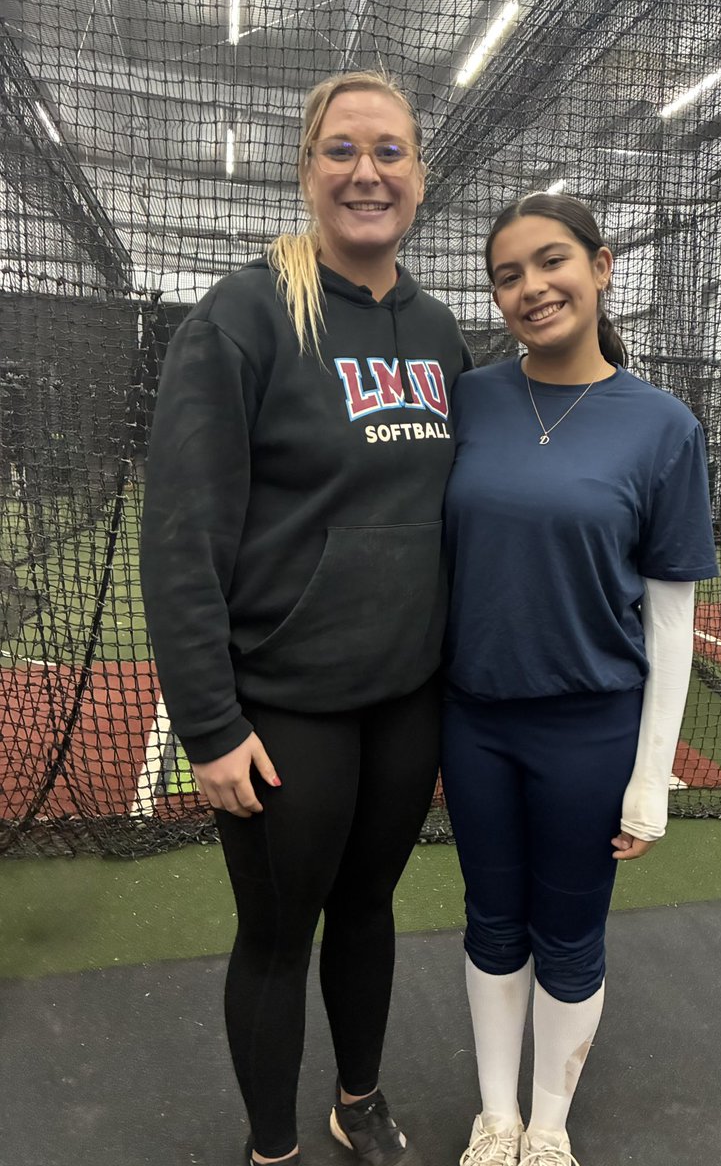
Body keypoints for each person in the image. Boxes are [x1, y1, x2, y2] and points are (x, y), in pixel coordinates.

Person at [140, 70, 471, 1166]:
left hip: (404, 699)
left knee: (370, 909)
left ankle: (358, 1103)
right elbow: (183, 533)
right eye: (341, 150)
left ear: (421, 178)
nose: (366, 171)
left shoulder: (437, 332)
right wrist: (209, 722)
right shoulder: (244, 315)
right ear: (307, 168)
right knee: (281, 937)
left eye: (390, 152)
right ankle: (273, 1146)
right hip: (285, 711)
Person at [440, 192, 718, 1166]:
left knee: (569, 934)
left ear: (601, 267)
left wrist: (653, 776)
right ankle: (495, 1117)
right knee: (490, 922)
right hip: (473, 724)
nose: (530, 288)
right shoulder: (467, 398)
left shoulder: (663, 428)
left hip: (591, 732)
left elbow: (672, 620)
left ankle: (548, 1127)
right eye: (507, 274)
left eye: (550, 262)